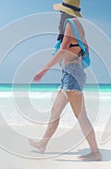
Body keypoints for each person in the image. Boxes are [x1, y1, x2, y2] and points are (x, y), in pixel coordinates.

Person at [29, 0, 102, 161]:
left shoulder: (70, 23)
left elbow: (62, 50)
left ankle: (96, 152)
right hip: (69, 74)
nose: (59, 15)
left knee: (81, 116)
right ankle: (42, 144)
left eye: (61, 12)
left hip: (72, 75)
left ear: (66, 12)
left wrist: (44, 69)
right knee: (55, 112)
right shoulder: (78, 26)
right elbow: (86, 48)